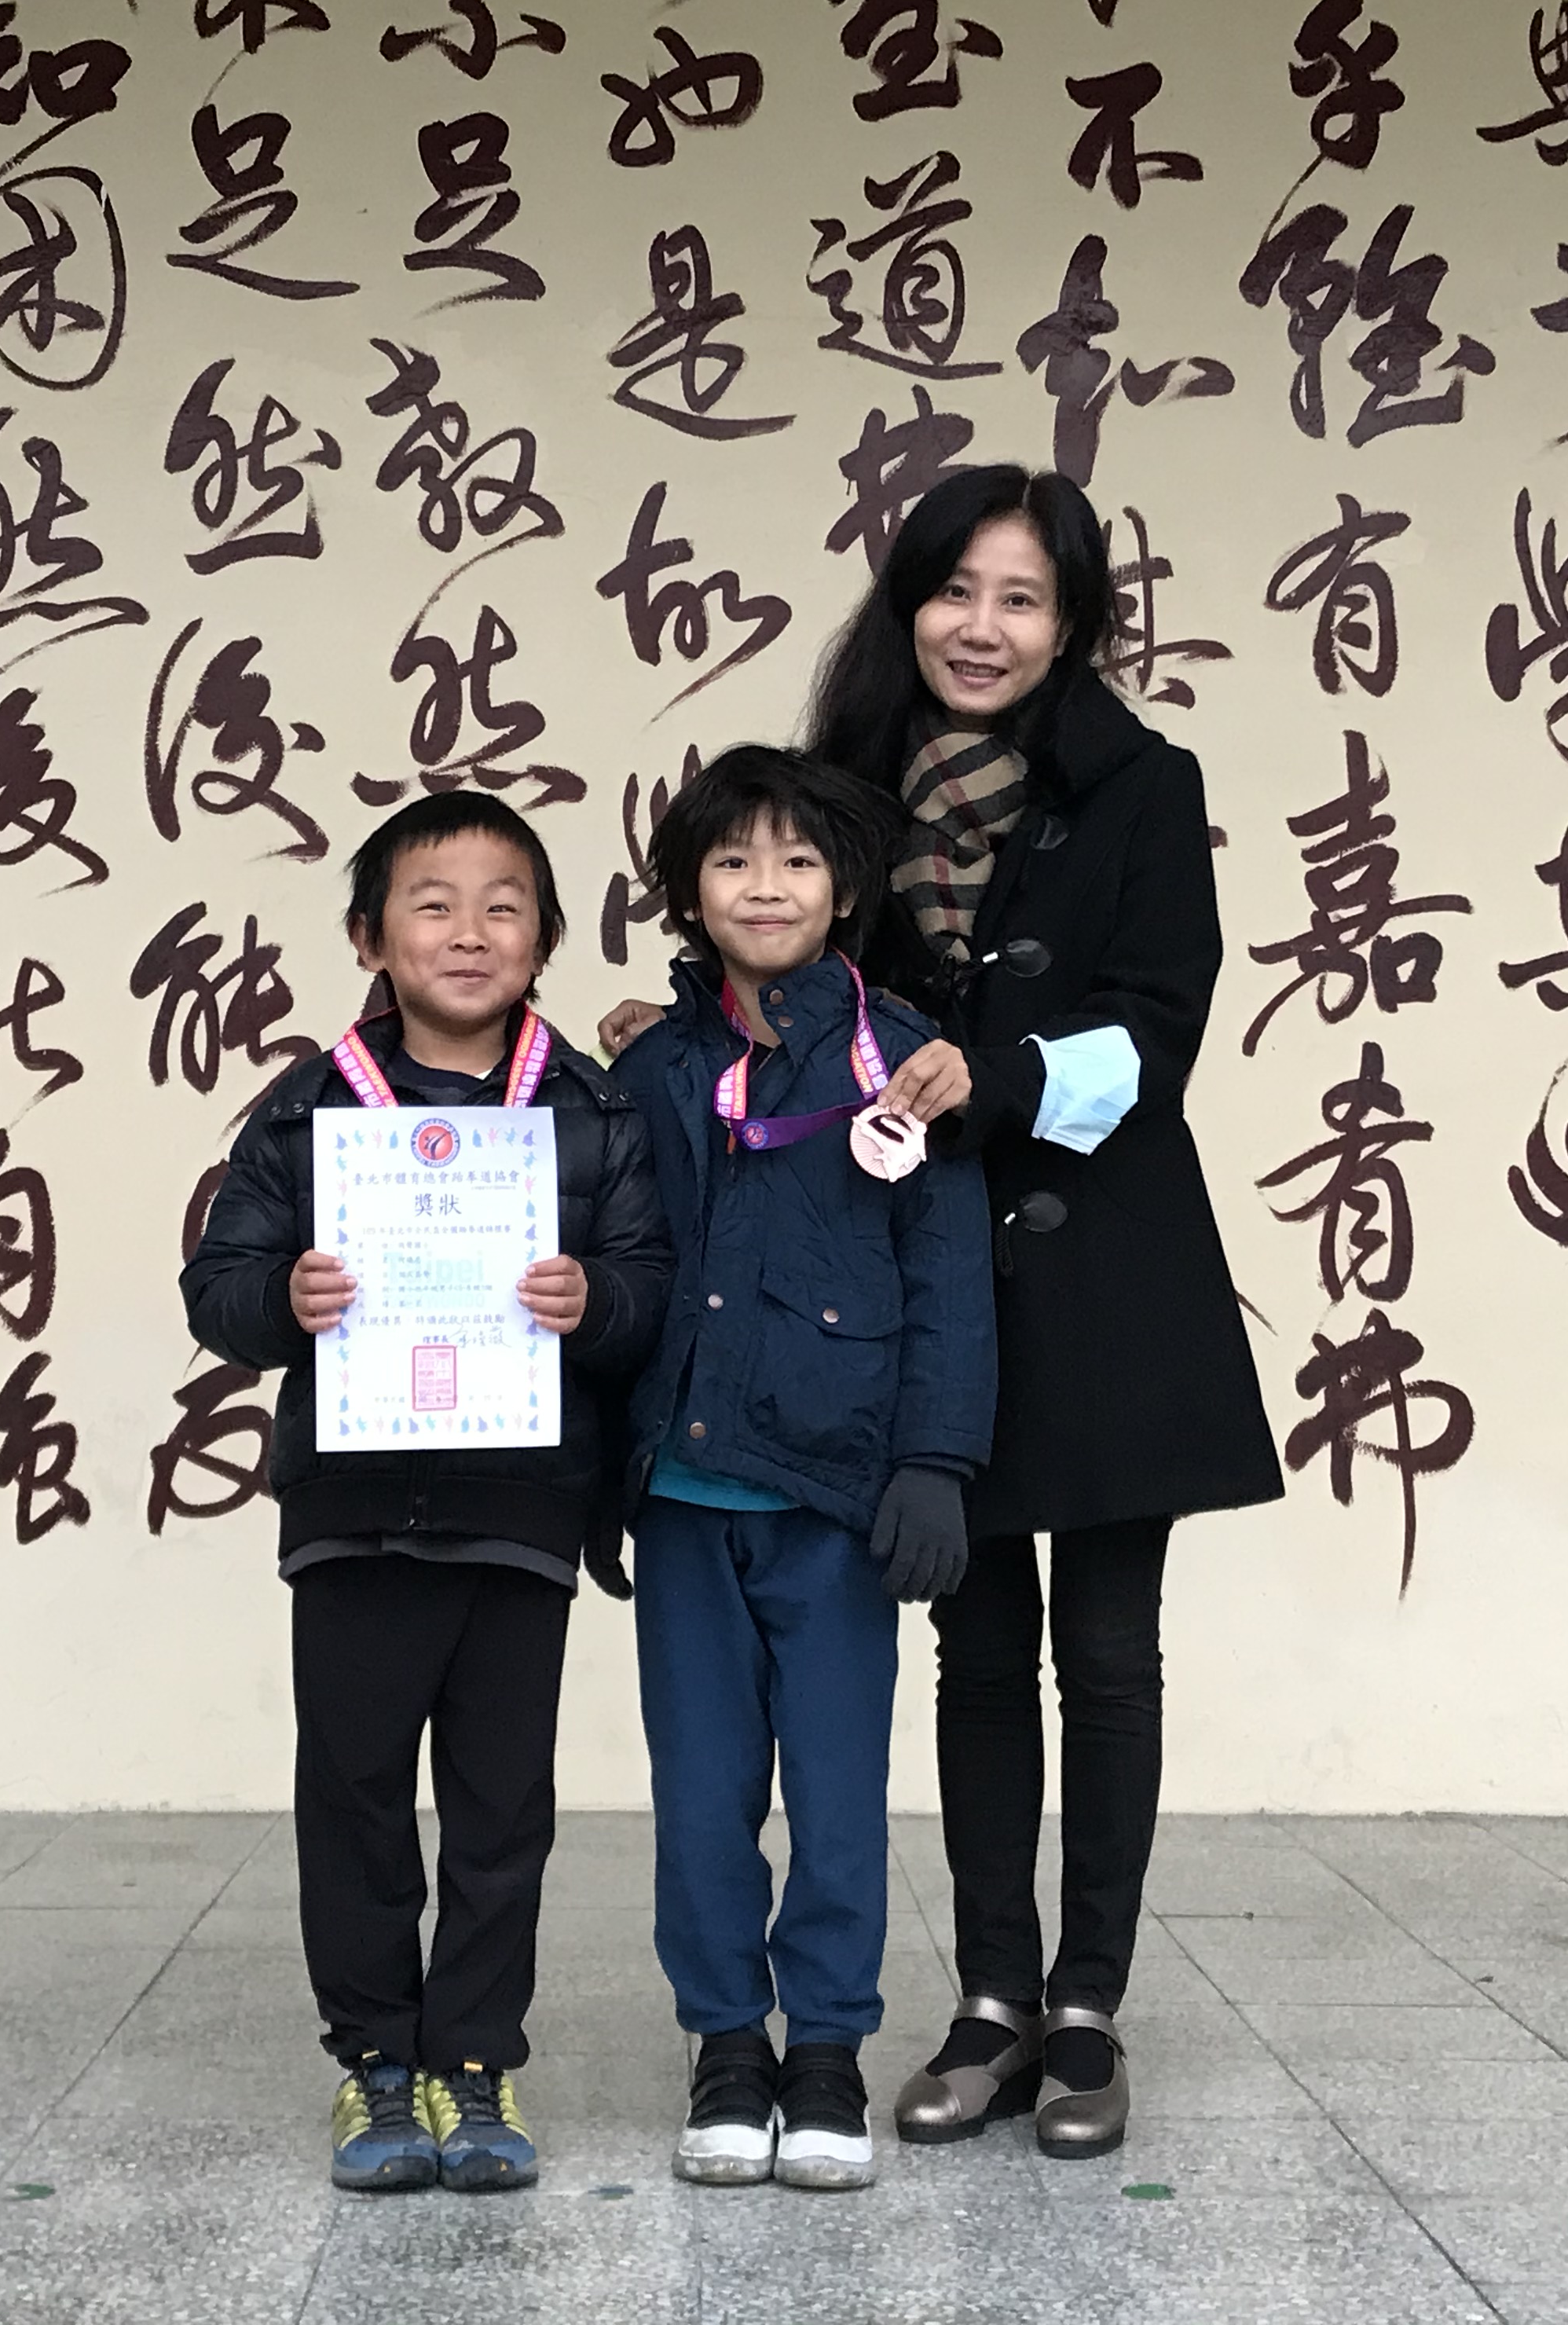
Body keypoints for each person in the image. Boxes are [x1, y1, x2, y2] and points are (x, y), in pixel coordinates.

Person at [602, 468, 1280, 2159]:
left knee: (1105, 1653)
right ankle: (989, 2000)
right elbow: (784, 956)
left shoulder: (1143, 784)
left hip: (1104, 1267)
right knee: (974, 1649)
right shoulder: (846, 783)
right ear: (907, 602)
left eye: (1023, 598)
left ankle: (1088, 2007)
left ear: (1075, 622)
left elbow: (1161, 1022)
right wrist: (681, 1022)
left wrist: (1003, 1076)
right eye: (954, 591)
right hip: (903, 1287)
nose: (983, 628)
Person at [184, 792, 672, 2196]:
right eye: (433, 905)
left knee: (502, 1809)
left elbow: (651, 1286)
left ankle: (475, 2060)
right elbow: (218, 1287)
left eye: (503, 907)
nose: (469, 932)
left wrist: (596, 1299)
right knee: (353, 1799)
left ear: (546, 939)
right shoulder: (309, 1106)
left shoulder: (589, 1108)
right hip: (352, 1517)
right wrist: (283, 1297)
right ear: (369, 938)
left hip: (522, 1514)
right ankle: (375, 2066)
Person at [610, 745, 995, 2192]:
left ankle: (826, 2049)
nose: (763, 886)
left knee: (838, 1795)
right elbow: (617, 1268)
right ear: (688, 893)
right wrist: (599, 1473)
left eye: (796, 861)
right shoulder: (653, 1065)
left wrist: (936, 1461)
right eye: (730, 861)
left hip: (836, 1499)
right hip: (684, 1497)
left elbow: (949, 1275)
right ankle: (726, 2044)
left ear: (845, 892)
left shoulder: (907, 1059)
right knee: (701, 1792)